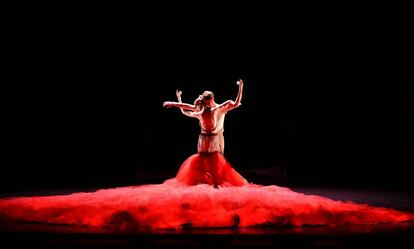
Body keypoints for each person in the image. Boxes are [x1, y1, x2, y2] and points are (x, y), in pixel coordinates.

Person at [163, 79, 247, 187]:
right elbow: (186, 108)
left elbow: (235, 104)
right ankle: (205, 180)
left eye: (207, 101)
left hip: (217, 137)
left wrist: (241, 87)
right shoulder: (202, 109)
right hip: (204, 138)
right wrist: (175, 102)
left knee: (217, 162)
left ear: (211, 99)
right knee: (204, 160)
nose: (206, 103)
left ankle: (217, 182)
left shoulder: (219, 108)